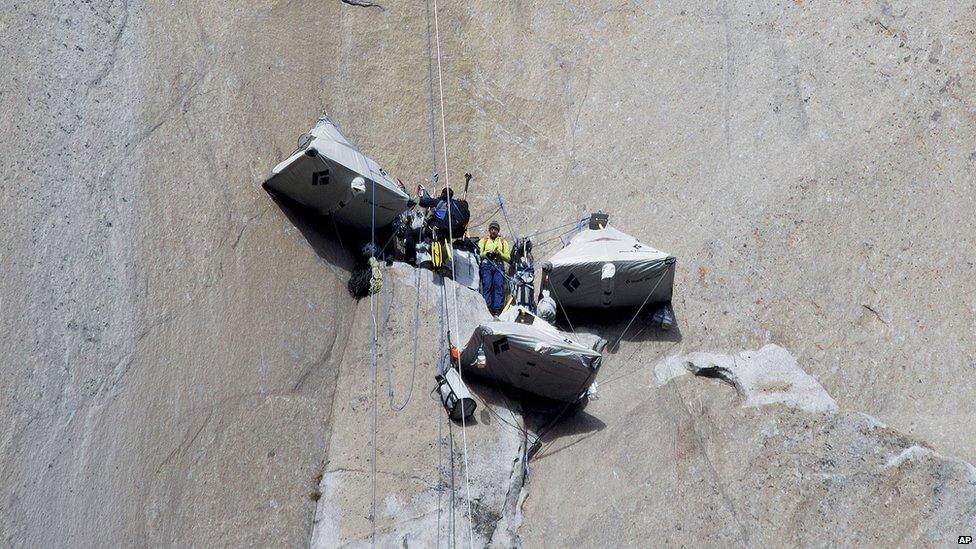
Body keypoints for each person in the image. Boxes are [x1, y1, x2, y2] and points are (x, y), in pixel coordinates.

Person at [478, 221, 510, 315]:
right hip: (486, 265)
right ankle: (487, 307)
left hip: (498, 265)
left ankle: (496, 309)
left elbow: (508, 257)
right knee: (487, 284)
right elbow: (479, 253)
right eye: (492, 229)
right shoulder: (483, 241)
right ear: (489, 230)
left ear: (498, 231)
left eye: (495, 229)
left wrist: (499, 253)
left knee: (498, 285)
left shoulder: (503, 242)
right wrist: (487, 253)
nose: (493, 231)